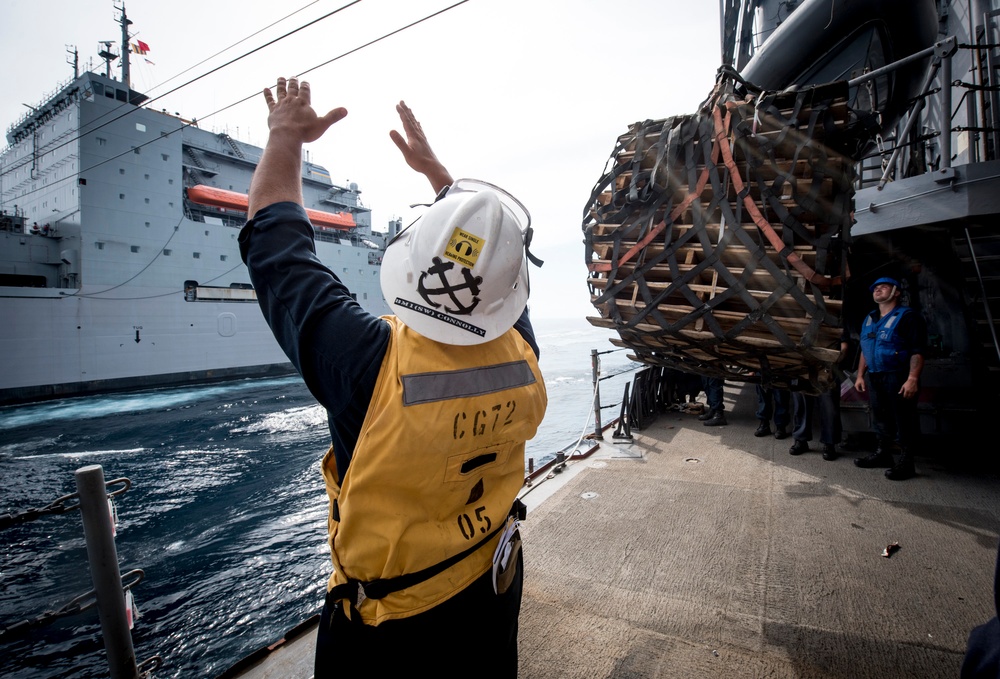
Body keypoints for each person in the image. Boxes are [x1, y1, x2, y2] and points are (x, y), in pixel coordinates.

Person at [239, 77, 548, 676]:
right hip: (492, 585)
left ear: (410, 259)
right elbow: (493, 282)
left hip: (392, 631)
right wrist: (442, 179)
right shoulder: (522, 356)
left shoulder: (369, 362)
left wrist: (284, 136)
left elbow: (275, 248)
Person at [852, 276, 926, 480]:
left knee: (904, 419)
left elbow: (917, 351)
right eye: (875, 288)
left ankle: (907, 463)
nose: (878, 290)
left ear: (896, 292)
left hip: (898, 376)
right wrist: (860, 375)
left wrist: (912, 378)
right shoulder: (869, 318)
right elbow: (865, 349)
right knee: (881, 419)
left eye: (884, 287)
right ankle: (883, 455)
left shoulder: (908, 317)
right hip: (875, 376)